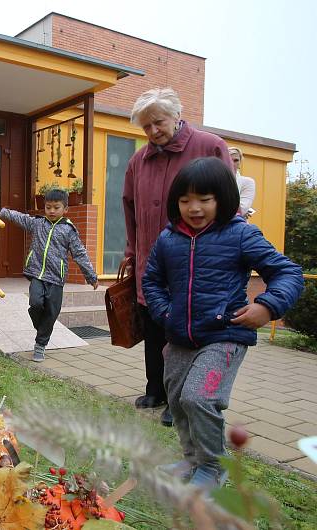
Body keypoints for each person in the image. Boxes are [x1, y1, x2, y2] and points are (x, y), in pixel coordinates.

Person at [143, 157, 304, 489]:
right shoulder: (168, 239)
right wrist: (166, 314)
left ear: (223, 198)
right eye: (185, 200)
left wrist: (267, 306)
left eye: (205, 199)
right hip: (179, 337)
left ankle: (213, 467)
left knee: (198, 398)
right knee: (178, 403)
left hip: (225, 335)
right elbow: (152, 281)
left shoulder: (241, 234)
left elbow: (288, 272)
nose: (194, 207)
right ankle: (192, 460)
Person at [123, 88, 234, 427]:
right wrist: (131, 250)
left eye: (158, 122)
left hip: (195, 261)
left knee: (182, 333)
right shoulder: (137, 161)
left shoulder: (210, 146)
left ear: (176, 115)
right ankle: (154, 388)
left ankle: (179, 401)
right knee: (154, 327)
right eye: (146, 127)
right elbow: (129, 208)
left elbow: (229, 204)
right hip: (149, 260)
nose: (153, 131)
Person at [0, 189, 98, 362]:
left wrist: (91, 276)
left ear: (65, 209)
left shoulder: (68, 230)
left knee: (51, 312)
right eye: (48, 207)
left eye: (56, 207)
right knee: (35, 303)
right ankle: (42, 331)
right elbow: (20, 217)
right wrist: (1, 212)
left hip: (56, 279)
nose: (51, 211)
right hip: (37, 274)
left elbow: (79, 253)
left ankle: (40, 345)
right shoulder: (38, 223)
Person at [228, 147, 256, 217]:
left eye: (236, 160)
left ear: (240, 163)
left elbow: (241, 210)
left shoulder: (247, 182)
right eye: (229, 160)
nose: (232, 163)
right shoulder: (213, 179)